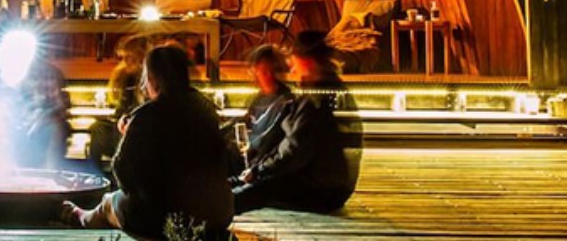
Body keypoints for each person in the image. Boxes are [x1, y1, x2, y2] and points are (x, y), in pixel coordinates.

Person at [63, 45, 233, 240]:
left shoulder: (147, 115)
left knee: (110, 202)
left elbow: (124, 172)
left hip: (163, 219)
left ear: (153, 79)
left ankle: (81, 218)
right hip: (217, 214)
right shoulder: (207, 109)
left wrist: (128, 135)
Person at [232, 31, 364, 215]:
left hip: (322, 190)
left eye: (294, 64)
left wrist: (259, 172)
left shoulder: (315, 101)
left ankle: (209, 213)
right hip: (335, 185)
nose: (292, 71)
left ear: (307, 63)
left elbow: (293, 152)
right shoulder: (333, 92)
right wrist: (258, 169)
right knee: (248, 181)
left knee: (253, 191)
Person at [89, 33, 153, 164]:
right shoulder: (124, 77)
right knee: (97, 128)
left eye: (129, 57)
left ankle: (120, 166)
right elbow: (121, 106)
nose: (126, 61)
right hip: (125, 125)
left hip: (143, 128)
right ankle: (95, 168)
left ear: (140, 57)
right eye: (124, 57)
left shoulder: (151, 78)